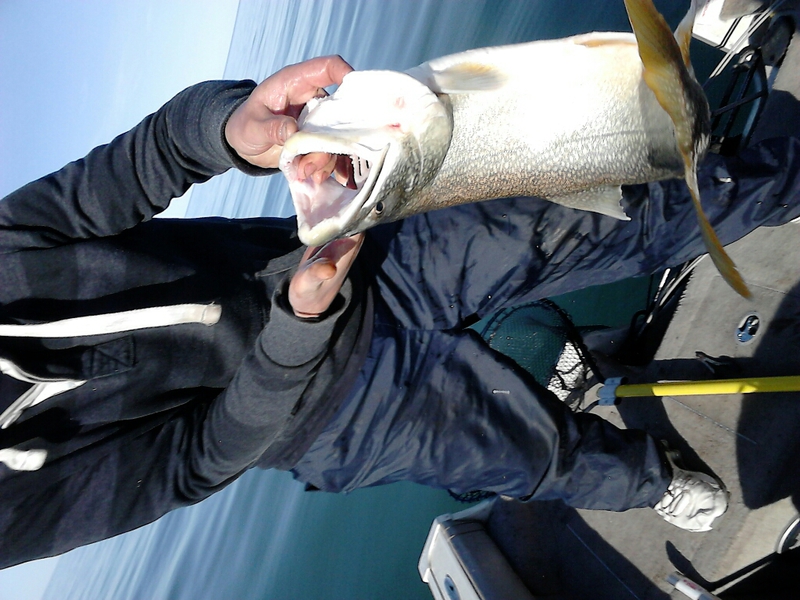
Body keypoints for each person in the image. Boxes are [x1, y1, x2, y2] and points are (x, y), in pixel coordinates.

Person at [1, 55, 799, 569]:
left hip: (355, 255)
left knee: (605, 218)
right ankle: (651, 479)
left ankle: (781, 182)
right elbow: (188, 465)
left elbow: (140, 161)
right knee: (536, 457)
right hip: (328, 420)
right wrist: (292, 340)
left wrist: (227, 129)